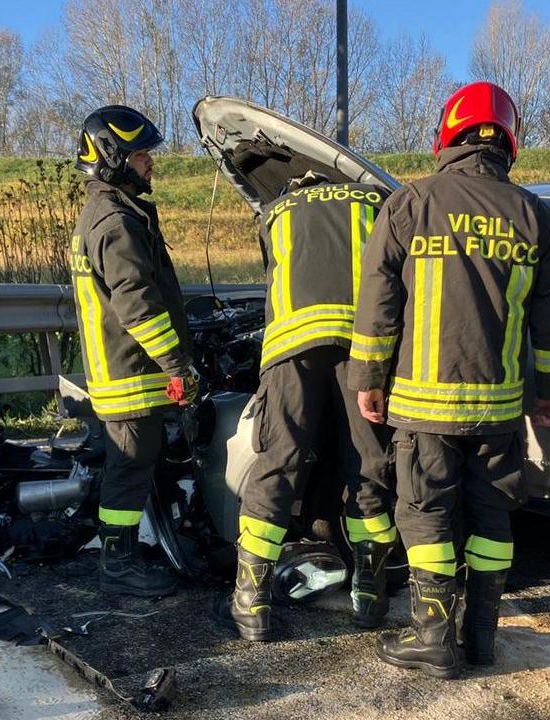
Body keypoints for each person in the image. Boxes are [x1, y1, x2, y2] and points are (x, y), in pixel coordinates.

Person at [349, 81, 550, 678]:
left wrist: (368, 377)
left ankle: (432, 638)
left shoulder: (410, 205)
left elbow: (379, 302)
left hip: (424, 405)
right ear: (509, 141)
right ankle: (480, 639)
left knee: (425, 511)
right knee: (493, 515)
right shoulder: (535, 215)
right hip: (499, 408)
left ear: (447, 135)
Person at [227, 172, 396, 642]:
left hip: (291, 348)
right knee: (367, 466)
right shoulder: (373, 202)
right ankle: (370, 595)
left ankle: (251, 602)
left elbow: (275, 276)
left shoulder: (275, 212)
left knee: (278, 464)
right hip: (359, 348)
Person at [69, 105, 199, 597]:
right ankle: (118, 564)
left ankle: (127, 554)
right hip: (131, 373)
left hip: (121, 369)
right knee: (128, 467)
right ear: (112, 157)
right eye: (142, 154)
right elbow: (138, 306)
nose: (150, 162)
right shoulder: (116, 222)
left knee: (134, 464)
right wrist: (178, 366)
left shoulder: (108, 212)